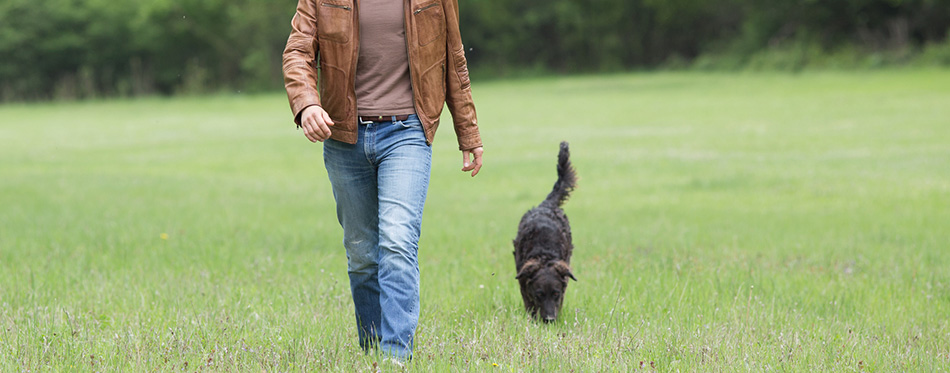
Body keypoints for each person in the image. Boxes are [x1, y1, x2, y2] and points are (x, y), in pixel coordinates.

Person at [281, 0, 483, 362]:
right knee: (362, 254)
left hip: (407, 133)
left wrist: (468, 131)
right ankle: (373, 352)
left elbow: (454, 57)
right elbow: (298, 52)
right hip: (345, 137)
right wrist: (307, 103)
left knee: (397, 239)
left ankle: (394, 358)